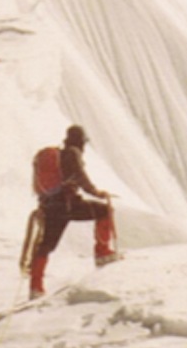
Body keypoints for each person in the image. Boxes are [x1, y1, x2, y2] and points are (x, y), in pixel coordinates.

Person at [26, 124, 118, 298]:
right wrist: (96, 192)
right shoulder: (72, 153)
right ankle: (102, 252)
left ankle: (35, 287)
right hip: (68, 205)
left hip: (50, 207)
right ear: (80, 141)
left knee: (46, 245)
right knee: (105, 211)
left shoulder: (59, 154)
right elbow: (80, 176)